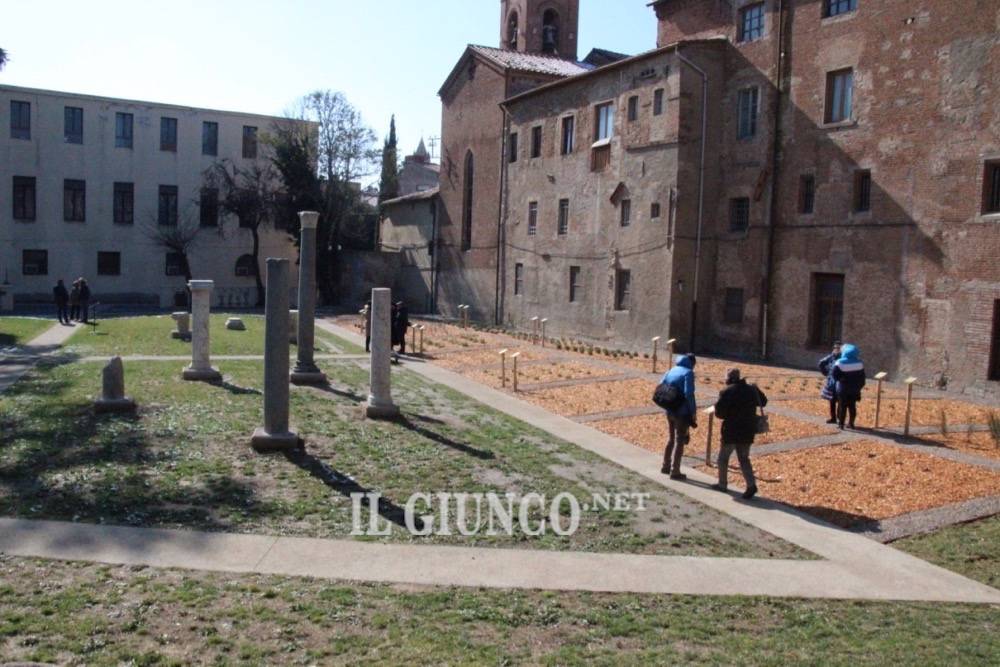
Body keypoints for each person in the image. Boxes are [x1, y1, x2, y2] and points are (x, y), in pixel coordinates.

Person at [712, 368, 767, 500]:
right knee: (744, 458)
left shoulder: (726, 392)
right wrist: (756, 388)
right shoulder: (751, 390)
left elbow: (719, 413)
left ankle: (722, 484)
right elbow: (763, 402)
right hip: (747, 429)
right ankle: (751, 484)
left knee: (723, 458)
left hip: (731, 430)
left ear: (729, 378)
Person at [659, 353, 697, 480]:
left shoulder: (671, 370)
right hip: (682, 412)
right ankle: (675, 471)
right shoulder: (688, 373)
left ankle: (665, 465)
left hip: (670, 408)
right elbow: (689, 394)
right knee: (680, 440)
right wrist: (693, 412)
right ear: (692, 363)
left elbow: (661, 384)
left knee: (671, 438)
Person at [832, 343, 866, 430]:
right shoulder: (859, 363)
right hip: (854, 389)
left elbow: (834, 375)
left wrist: (841, 380)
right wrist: (858, 387)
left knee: (842, 406)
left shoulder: (840, 363)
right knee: (852, 406)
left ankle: (841, 424)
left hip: (843, 388)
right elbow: (862, 378)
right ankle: (851, 423)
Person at [818, 341, 842, 425]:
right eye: (835, 348)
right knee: (832, 400)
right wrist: (826, 373)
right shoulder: (832, 356)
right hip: (832, 382)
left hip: (839, 382)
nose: (836, 349)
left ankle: (839, 418)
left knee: (840, 401)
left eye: (838, 348)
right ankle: (833, 418)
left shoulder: (843, 357)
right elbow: (821, 363)